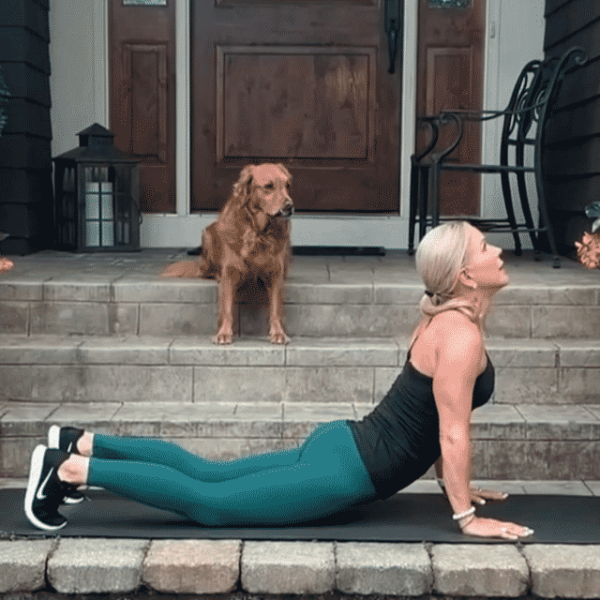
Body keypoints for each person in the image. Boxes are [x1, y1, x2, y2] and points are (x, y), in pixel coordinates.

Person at [24, 221, 533, 540]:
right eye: (487, 248)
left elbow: (435, 419)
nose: (499, 253)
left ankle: (84, 441)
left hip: (343, 445)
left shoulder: (450, 322)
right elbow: (450, 430)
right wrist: (466, 518)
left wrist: (455, 483)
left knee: (210, 474)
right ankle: (68, 469)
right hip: (348, 471)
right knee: (212, 504)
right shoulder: (460, 335)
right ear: (466, 276)